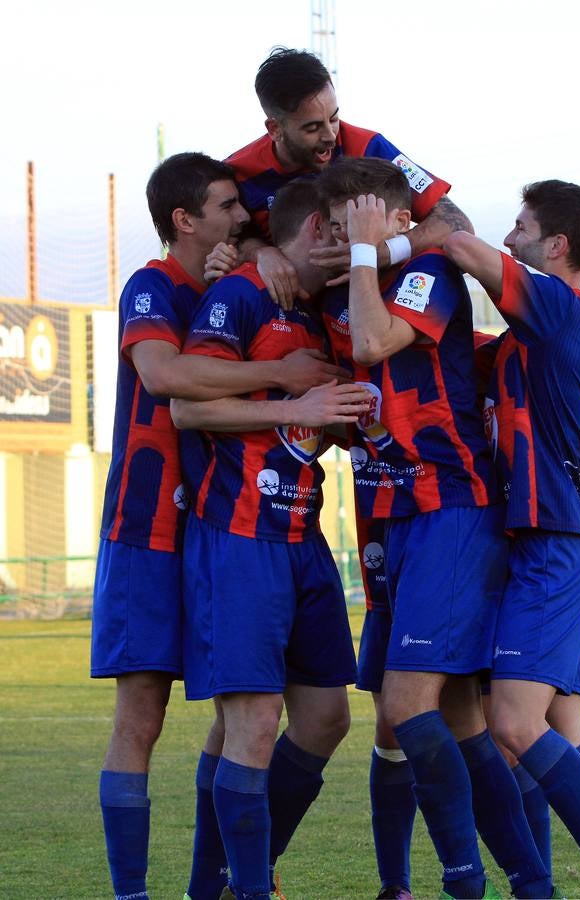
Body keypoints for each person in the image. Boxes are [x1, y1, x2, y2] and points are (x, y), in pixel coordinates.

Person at [90, 152, 355, 900]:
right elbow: (168, 379)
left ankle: (214, 882)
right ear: (185, 219)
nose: (243, 217)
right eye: (227, 206)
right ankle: (131, 894)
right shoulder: (154, 285)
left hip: (221, 522)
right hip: (147, 527)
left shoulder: (236, 288)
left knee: (240, 711)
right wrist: (286, 381)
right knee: (143, 715)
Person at [318, 157, 556, 900]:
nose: (342, 237)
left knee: (406, 707)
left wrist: (367, 253)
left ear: (393, 223)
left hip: (451, 506)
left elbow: (374, 342)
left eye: (354, 221)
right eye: (334, 226)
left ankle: (464, 880)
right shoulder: (338, 290)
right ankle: (526, 880)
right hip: (389, 521)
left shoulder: (427, 273)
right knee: (446, 716)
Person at [444, 180, 580, 900]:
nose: (510, 237)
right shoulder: (519, 344)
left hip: (551, 546)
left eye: (522, 225)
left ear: (556, 246)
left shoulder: (563, 310)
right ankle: (568, 879)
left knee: (511, 722)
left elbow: (468, 249)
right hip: (534, 546)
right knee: (557, 729)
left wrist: (405, 225)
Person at [171, 177, 367, 900]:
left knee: (325, 718)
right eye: (351, 227)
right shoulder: (242, 295)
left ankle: (222, 882)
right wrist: (299, 400)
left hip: (302, 538)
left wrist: (342, 418)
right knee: (252, 724)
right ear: (317, 227)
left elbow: (308, 422)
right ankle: (241, 890)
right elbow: (189, 411)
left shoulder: (322, 309)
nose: (362, 243)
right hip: (239, 537)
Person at [209, 47, 472, 304]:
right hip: (291, 317)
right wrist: (261, 253)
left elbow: (456, 222)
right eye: (312, 127)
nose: (330, 136)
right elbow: (223, 244)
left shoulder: (369, 147)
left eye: (334, 118)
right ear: (275, 128)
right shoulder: (238, 172)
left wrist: (379, 254)